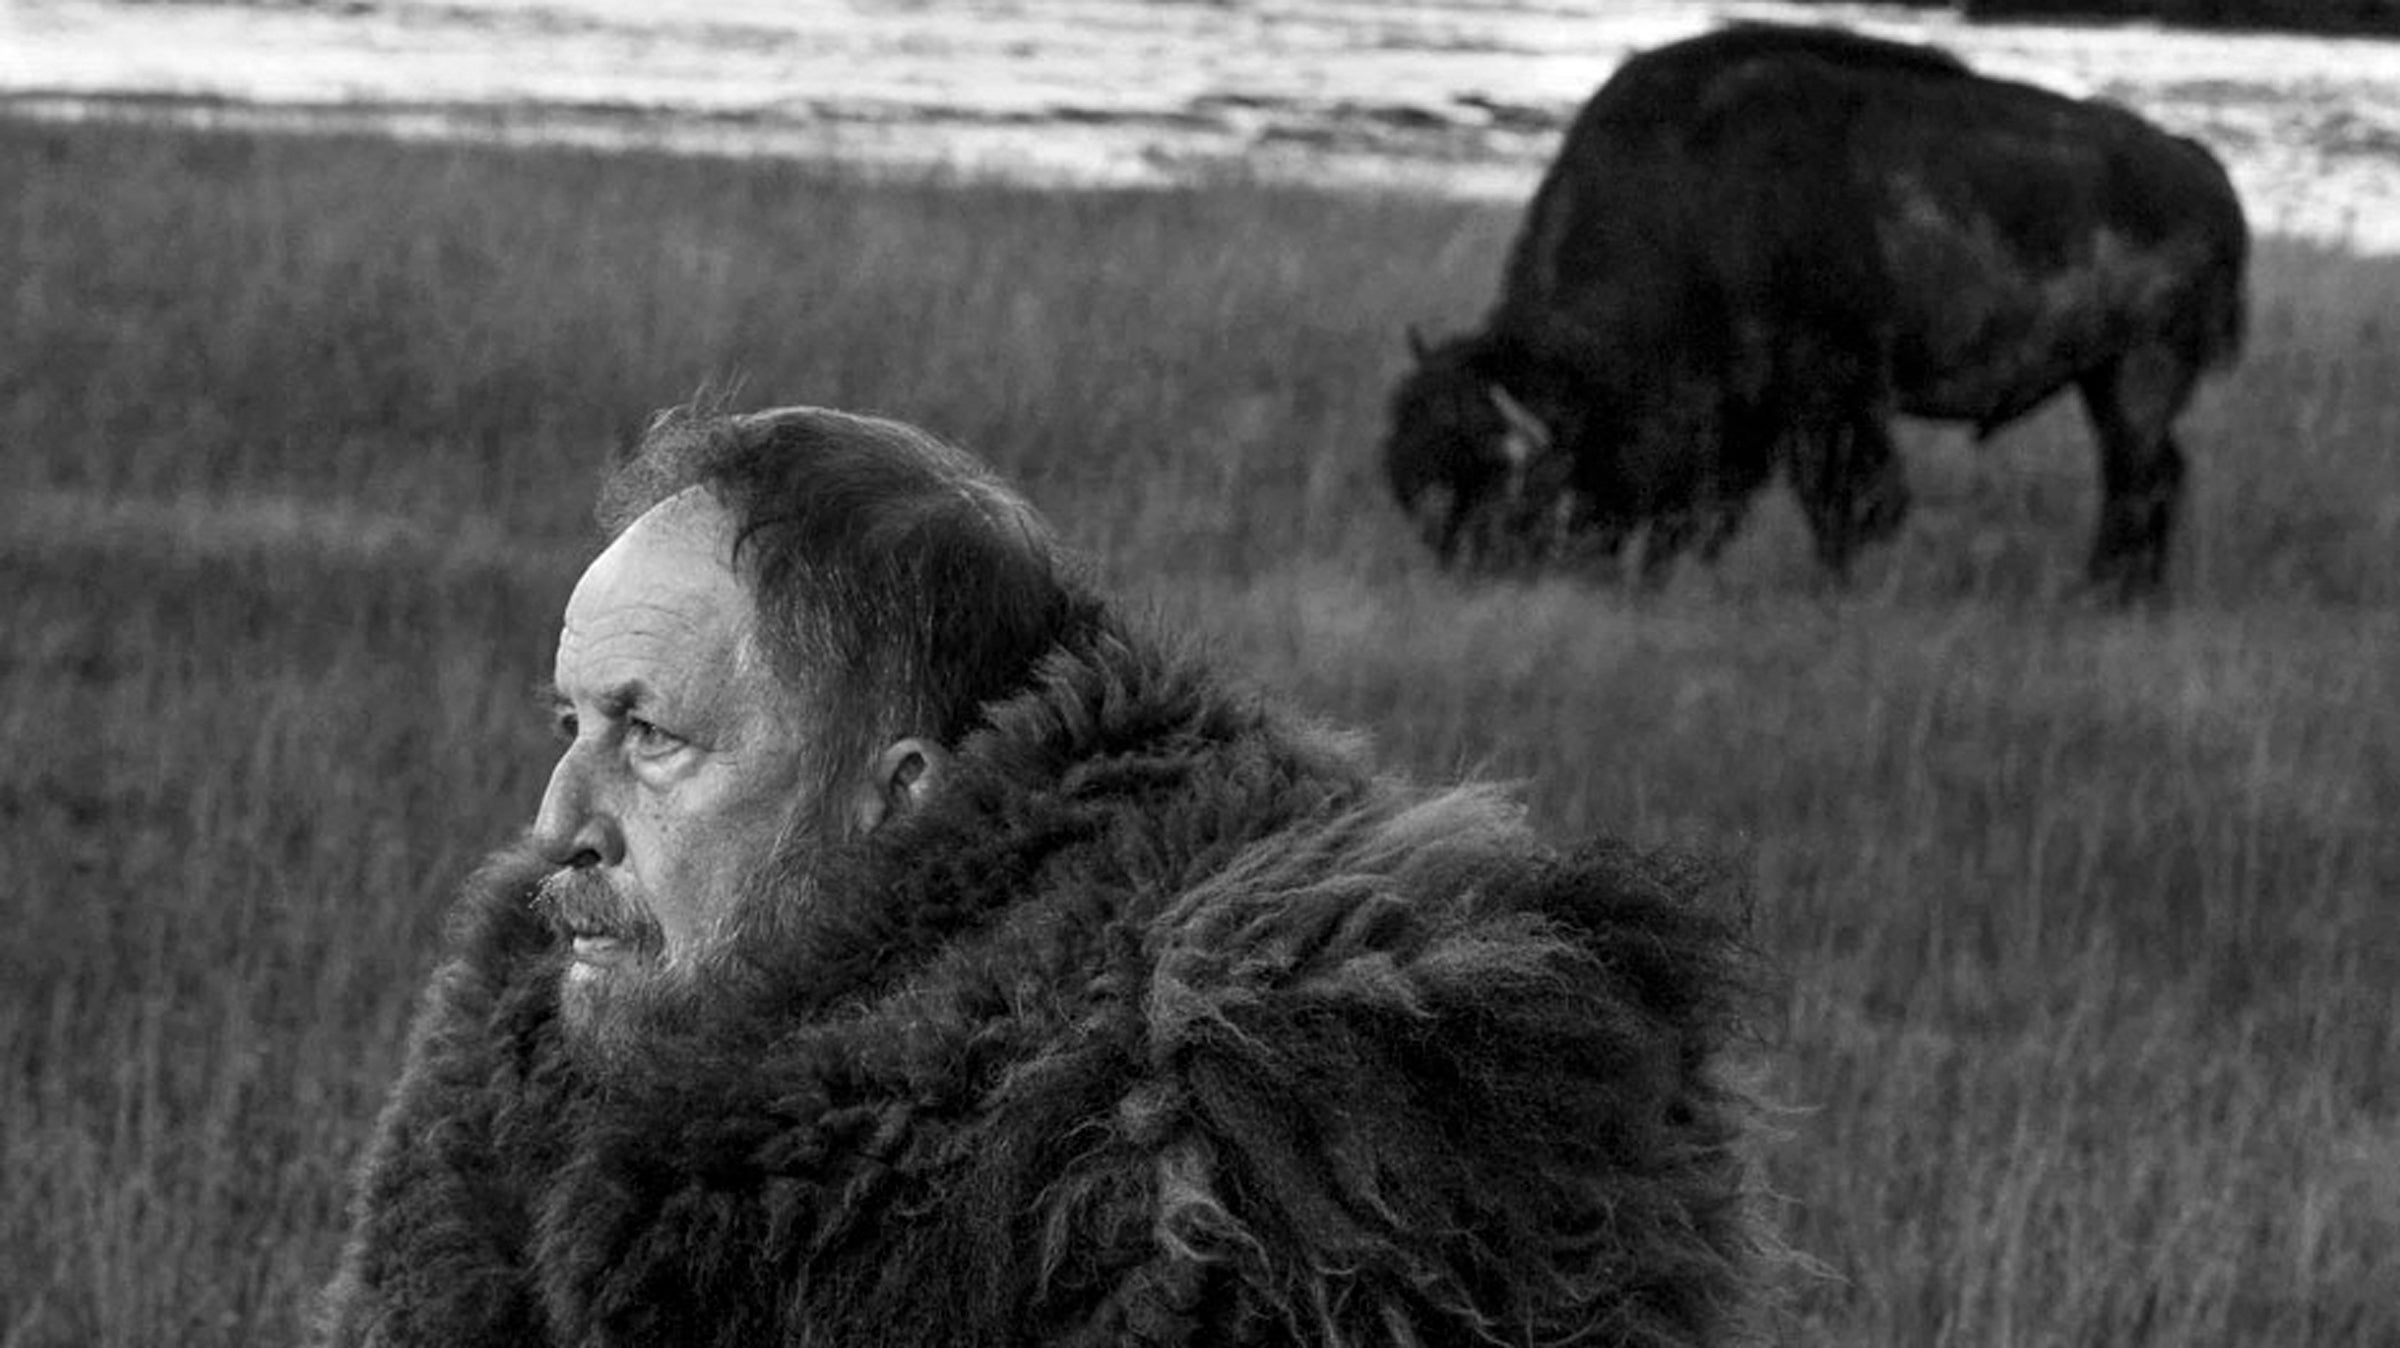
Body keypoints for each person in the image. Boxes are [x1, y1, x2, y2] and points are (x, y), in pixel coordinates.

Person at [315, 404, 1773, 1346]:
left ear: (896, 798)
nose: (561, 808)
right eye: (571, 724)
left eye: (653, 736)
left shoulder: (1278, 1121)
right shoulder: (534, 1039)